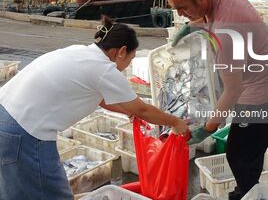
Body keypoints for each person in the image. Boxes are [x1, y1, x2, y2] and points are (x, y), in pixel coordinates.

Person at [0, 16, 188, 200]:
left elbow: (100, 99)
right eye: (128, 61)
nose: (125, 67)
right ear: (121, 51)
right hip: (24, 132)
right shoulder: (103, 68)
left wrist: (128, 111)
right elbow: (143, 110)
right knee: (52, 194)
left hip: (5, 116)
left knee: (15, 190)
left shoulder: (80, 52)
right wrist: (176, 122)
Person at [165, 0, 268, 200]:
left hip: (265, 93)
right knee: (249, 150)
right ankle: (248, 189)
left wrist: (206, 129)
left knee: (238, 154)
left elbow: (232, 91)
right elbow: (205, 15)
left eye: (182, 8)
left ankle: (249, 193)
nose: (180, 13)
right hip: (266, 76)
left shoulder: (227, 32)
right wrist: (189, 27)